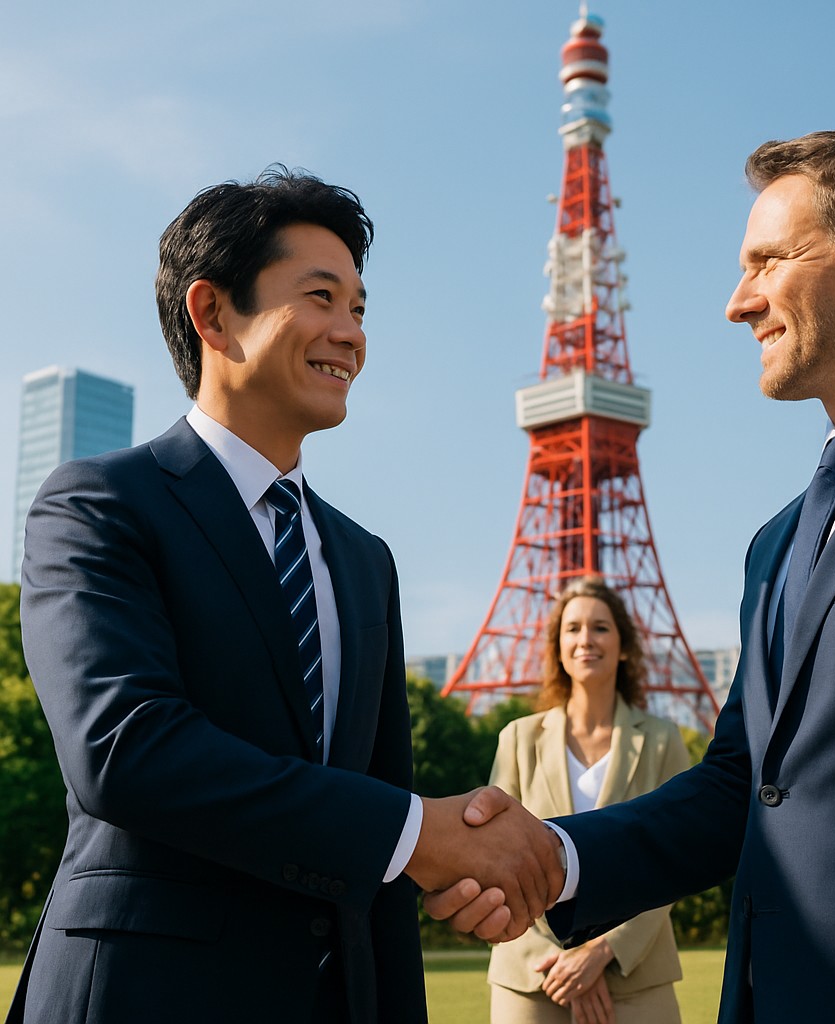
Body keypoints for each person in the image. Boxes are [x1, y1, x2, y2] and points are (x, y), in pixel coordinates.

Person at [429, 129, 835, 1023]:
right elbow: (737, 790)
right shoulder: (777, 540)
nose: (736, 302)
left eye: (767, 261)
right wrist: (555, 856)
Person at [8, 167, 562, 1024]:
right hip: (141, 995)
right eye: (321, 297)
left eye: (361, 309)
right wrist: (419, 833)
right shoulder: (100, 503)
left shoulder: (364, 559)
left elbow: (379, 809)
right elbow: (125, 750)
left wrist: (432, 857)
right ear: (211, 312)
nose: (350, 333)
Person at [488, 577, 687, 1024]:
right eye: (572, 628)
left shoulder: (661, 741)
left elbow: (678, 860)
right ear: (558, 647)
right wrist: (562, 959)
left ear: (624, 645)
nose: (585, 639)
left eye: (600, 627)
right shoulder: (518, 739)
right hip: (531, 971)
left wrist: (601, 951)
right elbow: (495, 859)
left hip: (636, 973)